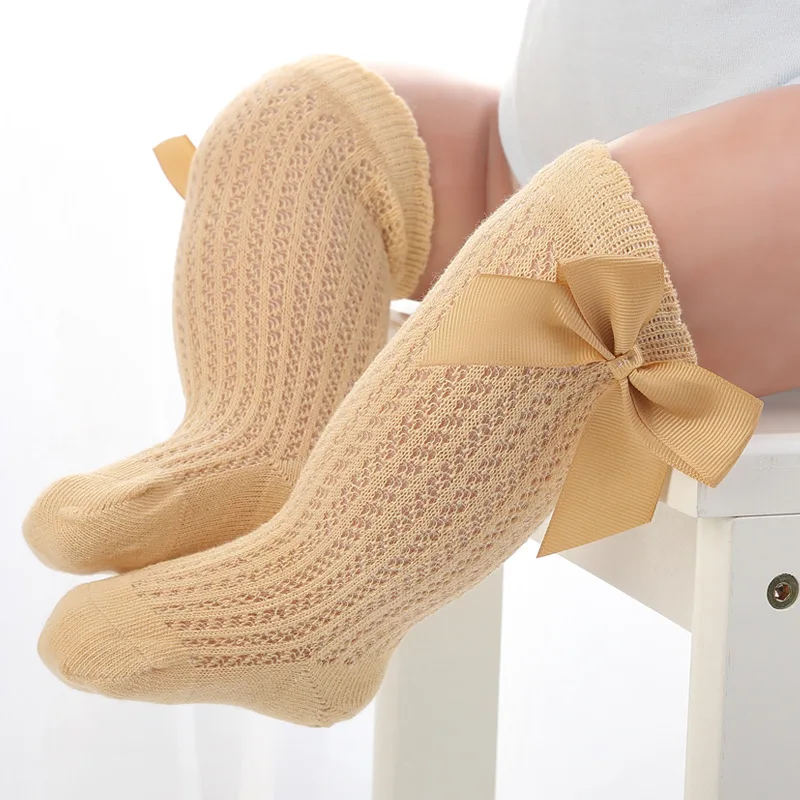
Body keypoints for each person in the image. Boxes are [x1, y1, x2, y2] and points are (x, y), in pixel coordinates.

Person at [23, 3, 800, 726]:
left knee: (584, 262)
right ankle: (255, 445)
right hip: (540, 138)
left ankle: (319, 602)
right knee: (303, 122)